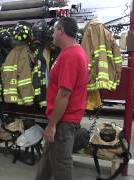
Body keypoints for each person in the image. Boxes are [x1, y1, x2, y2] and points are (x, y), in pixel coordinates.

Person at [34, 17, 89, 180]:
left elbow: (64, 93)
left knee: (61, 162)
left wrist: (52, 125)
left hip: (63, 121)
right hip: (60, 119)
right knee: (48, 160)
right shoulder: (68, 53)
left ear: (61, 31)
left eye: (54, 30)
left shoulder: (71, 55)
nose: (52, 34)